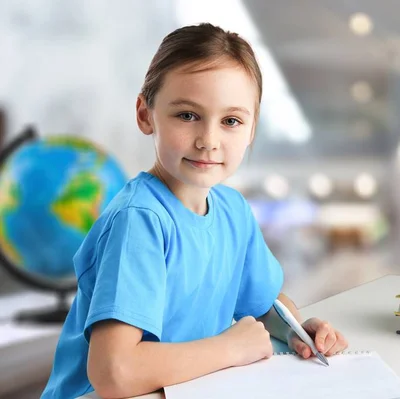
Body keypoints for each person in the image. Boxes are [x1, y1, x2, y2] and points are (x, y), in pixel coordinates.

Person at [41, 23, 348, 399]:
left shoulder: (233, 211)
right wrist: (231, 349)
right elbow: (113, 373)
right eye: (187, 115)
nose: (208, 141)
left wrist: (298, 329)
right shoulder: (139, 220)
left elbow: (261, 304)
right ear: (145, 115)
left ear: (251, 130)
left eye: (231, 121)